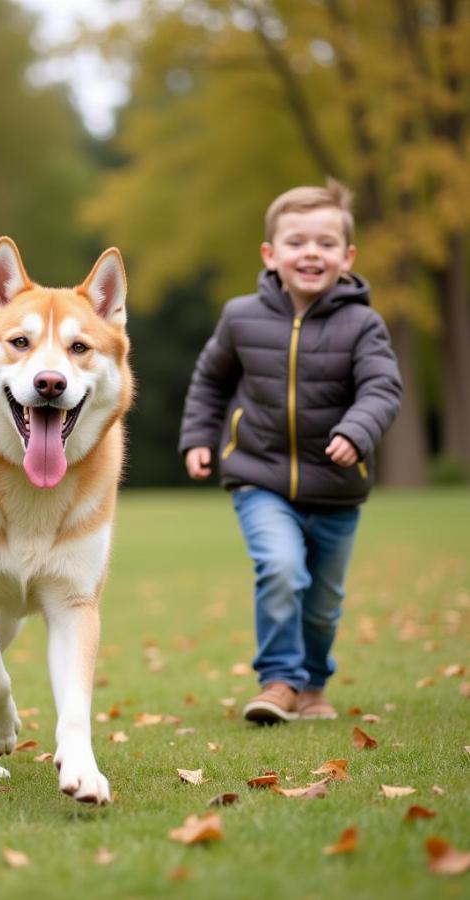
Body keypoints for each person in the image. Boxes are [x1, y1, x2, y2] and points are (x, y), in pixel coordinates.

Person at [179, 179, 402, 724]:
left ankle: (313, 686)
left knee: (322, 604)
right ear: (270, 254)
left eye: (326, 243)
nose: (310, 253)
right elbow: (210, 381)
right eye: (297, 241)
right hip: (260, 476)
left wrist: (358, 429)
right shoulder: (240, 317)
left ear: (347, 257)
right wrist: (197, 439)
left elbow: (383, 388)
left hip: (337, 488)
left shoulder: (363, 324)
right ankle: (278, 681)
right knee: (280, 568)